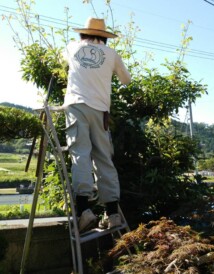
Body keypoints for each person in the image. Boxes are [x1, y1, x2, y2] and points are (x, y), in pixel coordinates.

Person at [63, 17, 131, 233]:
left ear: (83, 33)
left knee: (81, 154)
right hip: (101, 111)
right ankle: (112, 214)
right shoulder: (112, 55)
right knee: (103, 157)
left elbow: (64, 61)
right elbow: (126, 80)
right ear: (104, 36)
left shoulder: (72, 47)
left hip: (76, 107)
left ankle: (84, 211)